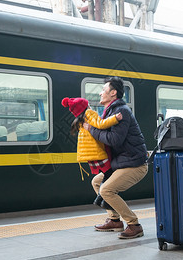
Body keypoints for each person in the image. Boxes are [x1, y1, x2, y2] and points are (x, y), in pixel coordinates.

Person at [83, 76, 148, 239]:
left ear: (113, 93)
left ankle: (134, 224)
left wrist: (91, 129)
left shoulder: (121, 112)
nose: (100, 93)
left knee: (106, 189)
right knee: (96, 182)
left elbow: (114, 139)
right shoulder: (110, 112)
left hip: (135, 164)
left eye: (103, 90)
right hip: (123, 162)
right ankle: (115, 220)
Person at [62, 97, 121, 209]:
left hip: (90, 156)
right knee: (109, 174)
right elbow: (101, 124)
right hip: (98, 152)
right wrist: (115, 119)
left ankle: (102, 199)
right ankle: (102, 198)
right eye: (87, 105)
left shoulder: (79, 120)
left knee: (107, 174)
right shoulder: (89, 113)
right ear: (85, 107)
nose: (89, 106)